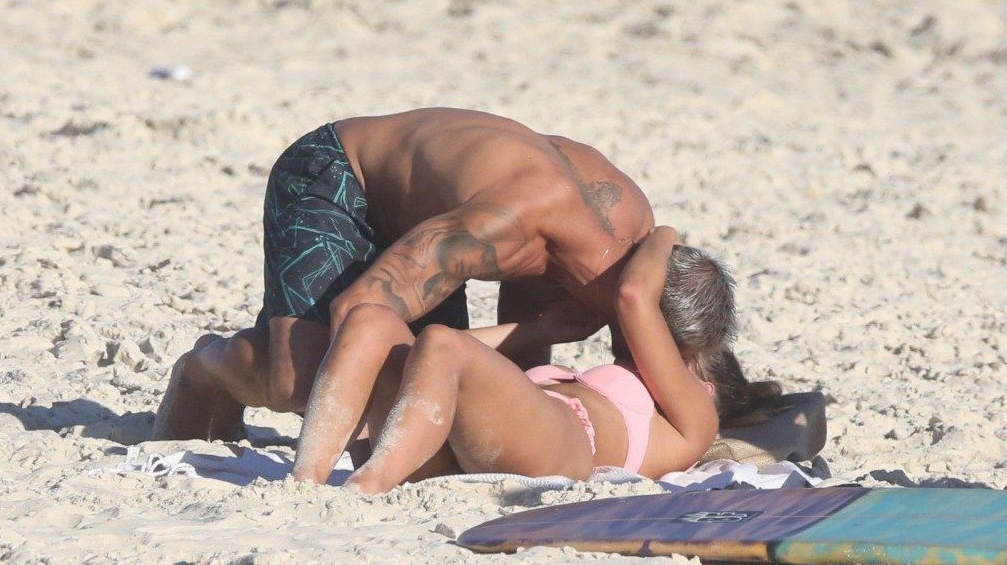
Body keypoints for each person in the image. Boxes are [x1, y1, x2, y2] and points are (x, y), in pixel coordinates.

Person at [154, 108, 734, 442]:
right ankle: (206, 368)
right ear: (633, 311)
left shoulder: (624, 228)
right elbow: (359, 316)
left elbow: (516, 370)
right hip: (340, 178)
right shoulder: (502, 230)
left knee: (413, 395)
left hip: (429, 221)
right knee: (306, 381)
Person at [291, 227, 777, 491]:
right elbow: (437, 366)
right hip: (459, 442)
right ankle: (305, 479)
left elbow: (634, 296)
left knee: (442, 341)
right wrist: (540, 332)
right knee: (371, 321)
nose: (666, 354)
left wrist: (664, 234)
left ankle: (370, 485)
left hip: (561, 448)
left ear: (706, 384)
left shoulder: (694, 419)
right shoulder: (610, 384)